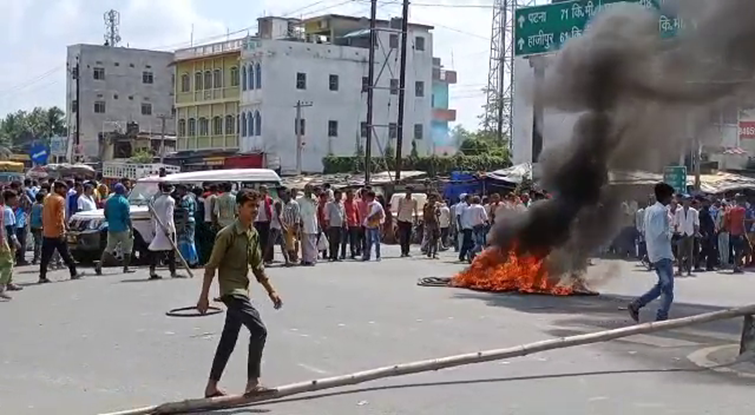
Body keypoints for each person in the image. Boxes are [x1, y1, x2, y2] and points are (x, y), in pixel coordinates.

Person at [197, 189, 283, 398]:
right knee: (259, 330)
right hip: (231, 293)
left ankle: (211, 387)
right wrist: (204, 297)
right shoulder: (226, 234)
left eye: (257, 206)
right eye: (250, 206)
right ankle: (253, 382)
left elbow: (258, 267)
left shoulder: (253, 234)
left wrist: (272, 292)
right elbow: (211, 267)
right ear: (238, 208)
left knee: (228, 340)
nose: (254, 210)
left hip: (242, 292)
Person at [628, 182, 676, 322]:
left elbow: (644, 230)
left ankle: (637, 304)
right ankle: (661, 316)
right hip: (662, 253)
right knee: (667, 288)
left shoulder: (648, 210)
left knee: (662, 285)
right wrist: (673, 231)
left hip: (654, 252)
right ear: (665, 197)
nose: (672, 199)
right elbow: (661, 234)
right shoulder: (661, 212)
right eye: (670, 196)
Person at [39, 181, 81, 284]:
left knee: (45, 257)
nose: (65, 191)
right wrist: (63, 231)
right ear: (58, 188)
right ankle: (74, 273)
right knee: (66, 254)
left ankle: (42, 276)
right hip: (57, 232)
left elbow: (44, 215)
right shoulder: (60, 200)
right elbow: (59, 217)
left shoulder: (47, 198)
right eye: (63, 188)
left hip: (47, 231)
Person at [95, 183, 134, 275]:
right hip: (123, 228)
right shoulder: (124, 201)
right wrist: (131, 229)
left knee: (109, 248)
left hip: (111, 227)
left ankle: (99, 265)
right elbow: (127, 217)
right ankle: (126, 268)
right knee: (127, 249)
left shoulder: (109, 201)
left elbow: (105, 213)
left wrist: (110, 220)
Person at [148, 182, 182, 280]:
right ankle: (173, 272)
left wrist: (154, 228)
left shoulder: (157, 201)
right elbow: (169, 216)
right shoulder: (170, 201)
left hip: (159, 228)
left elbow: (153, 216)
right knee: (171, 251)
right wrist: (167, 228)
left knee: (155, 250)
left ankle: (153, 270)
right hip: (168, 229)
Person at [673, 195, 699, 276]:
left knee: (689, 253)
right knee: (680, 253)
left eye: (689, 200)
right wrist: (676, 231)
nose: (687, 202)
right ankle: (680, 269)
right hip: (681, 233)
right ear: (683, 201)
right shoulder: (678, 211)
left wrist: (695, 232)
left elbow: (696, 223)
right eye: (685, 200)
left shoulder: (694, 211)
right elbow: (675, 222)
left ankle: (689, 270)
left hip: (690, 233)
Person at [175, 184, 199, 267]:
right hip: (191, 221)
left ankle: (192, 260)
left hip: (186, 223)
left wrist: (182, 224)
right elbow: (195, 209)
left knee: (188, 241)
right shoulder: (192, 198)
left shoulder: (185, 199)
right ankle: (189, 259)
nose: (177, 191)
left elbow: (185, 212)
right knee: (188, 241)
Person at [297, 185, 319, 266]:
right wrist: (300, 221)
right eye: (307, 190)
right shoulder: (300, 200)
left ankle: (311, 259)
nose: (308, 191)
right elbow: (298, 212)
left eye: (310, 189)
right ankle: (305, 259)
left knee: (312, 242)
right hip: (304, 223)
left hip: (312, 223)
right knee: (305, 243)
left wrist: (312, 200)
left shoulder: (314, 199)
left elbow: (315, 209)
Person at [727, 194, 748, 274]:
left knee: (736, 250)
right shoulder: (742, 210)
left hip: (732, 232)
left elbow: (729, 220)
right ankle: (736, 266)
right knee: (739, 250)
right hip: (739, 233)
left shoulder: (732, 210)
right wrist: (744, 233)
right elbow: (742, 223)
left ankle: (736, 265)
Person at [362, 190, 384, 262]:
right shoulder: (367, 204)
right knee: (368, 241)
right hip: (368, 225)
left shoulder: (377, 205)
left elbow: (381, 215)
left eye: (368, 197)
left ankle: (378, 255)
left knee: (376, 241)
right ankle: (367, 255)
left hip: (375, 224)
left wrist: (378, 221)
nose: (367, 198)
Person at [396, 187, 418, 257]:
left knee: (408, 237)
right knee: (403, 236)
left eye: (409, 191)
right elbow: (398, 209)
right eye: (407, 191)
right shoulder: (401, 199)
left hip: (409, 220)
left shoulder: (414, 200)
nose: (408, 193)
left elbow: (415, 210)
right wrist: (397, 218)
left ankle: (407, 251)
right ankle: (403, 251)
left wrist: (416, 220)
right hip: (401, 219)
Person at [255, 185, 274, 264]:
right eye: (264, 190)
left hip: (266, 221)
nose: (266, 191)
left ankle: (267, 258)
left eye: (266, 190)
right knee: (258, 240)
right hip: (257, 221)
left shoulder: (269, 199)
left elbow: (272, 211)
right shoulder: (256, 199)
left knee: (266, 240)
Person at [280, 188, 300, 264]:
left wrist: (296, 226)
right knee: (285, 243)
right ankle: (288, 259)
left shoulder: (294, 204)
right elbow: (281, 215)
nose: (283, 197)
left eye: (284, 195)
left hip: (293, 225)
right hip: (285, 226)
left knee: (294, 242)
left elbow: (297, 215)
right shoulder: (283, 203)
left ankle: (295, 257)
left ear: (288, 195)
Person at [325, 189, 345, 262]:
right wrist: (328, 223)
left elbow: (343, 214)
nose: (340, 196)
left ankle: (336, 256)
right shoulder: (330, 204)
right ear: (335, 195)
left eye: (340, 195)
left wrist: (344, 221)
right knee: (332, 241)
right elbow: (327, 215)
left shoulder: (342, 204)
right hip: (332, 225)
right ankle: (331, 255)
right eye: (338, 195)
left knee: (338, 241)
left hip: (339, 225)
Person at [697, 196, 717, 271]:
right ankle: (696, 263)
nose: (708, 203)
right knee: (706, 250)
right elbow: (701, 224)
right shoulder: (702, 212)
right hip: (706, 233)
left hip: (711, 232)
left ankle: (709, 266)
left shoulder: (709, 211)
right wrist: (704, 233)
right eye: (707, 202)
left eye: (709, 202)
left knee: (709, 249)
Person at [467, 195, 489, 262]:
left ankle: (479, 256)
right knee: (480, 242)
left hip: (472, 226)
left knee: (477, 242)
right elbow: (484, 217)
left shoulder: (469, 208)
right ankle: (471, 252)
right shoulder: (480, 207)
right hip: (480, 226)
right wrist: (487, 222)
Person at [343, 189, 361, 259]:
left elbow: (357, 213)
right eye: (349, 195)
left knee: (353, 240)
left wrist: (359, 222)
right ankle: (343, 254)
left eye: (352, 195)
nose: (351, 196)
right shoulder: (344, 203)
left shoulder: (355, 203)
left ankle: (353, 253)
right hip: (346, 223)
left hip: (354, 223)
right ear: (347, 195)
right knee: (344, 240)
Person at [423, 193, 441, 259]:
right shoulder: (427, 206)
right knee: (430, 238)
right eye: (432, 200)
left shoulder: (436, 206)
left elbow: (439, 214)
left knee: (436, 239)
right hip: (429, 224)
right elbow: (425, 215)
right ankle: (429, 251)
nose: (433, 201)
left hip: (435, 223)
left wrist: (437, 211)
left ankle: (434, 253)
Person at [30, 192, 44, 265]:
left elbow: (31, 215)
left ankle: (35, 258)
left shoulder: (34, 205)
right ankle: (37, 258)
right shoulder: (42, 206)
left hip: (33, 225)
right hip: (39, 226)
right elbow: (41, 217)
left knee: (36, 242)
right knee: (39, 242)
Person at [715, 200, 730, 268]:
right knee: (721, 247)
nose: (723, 206)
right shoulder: (719, 212)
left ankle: (726, 262)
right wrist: (717, 229)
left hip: (726, 232)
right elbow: (717, 222)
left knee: (726, 247)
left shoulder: (728, 212)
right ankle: (722, 262)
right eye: (722, 204)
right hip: (720, 232)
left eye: (724, 204)